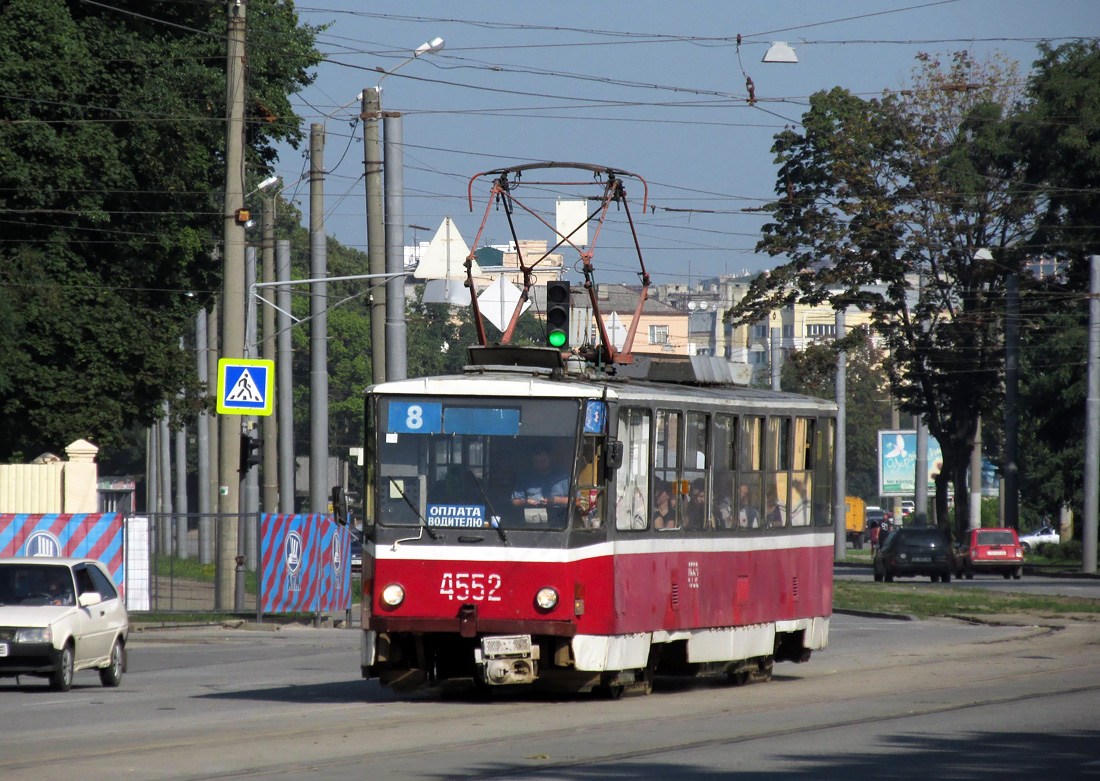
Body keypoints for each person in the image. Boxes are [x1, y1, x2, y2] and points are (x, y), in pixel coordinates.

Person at [511, 445, 570, 523]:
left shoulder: (563, 477)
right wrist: (526, 502)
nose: (540, 465)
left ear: (550, 459)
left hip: (558, 519)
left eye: (543, 461)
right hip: (530, 518)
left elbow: (577, 501)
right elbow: (515, 501)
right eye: (536, 462)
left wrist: (555, 500)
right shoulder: (525, 477)